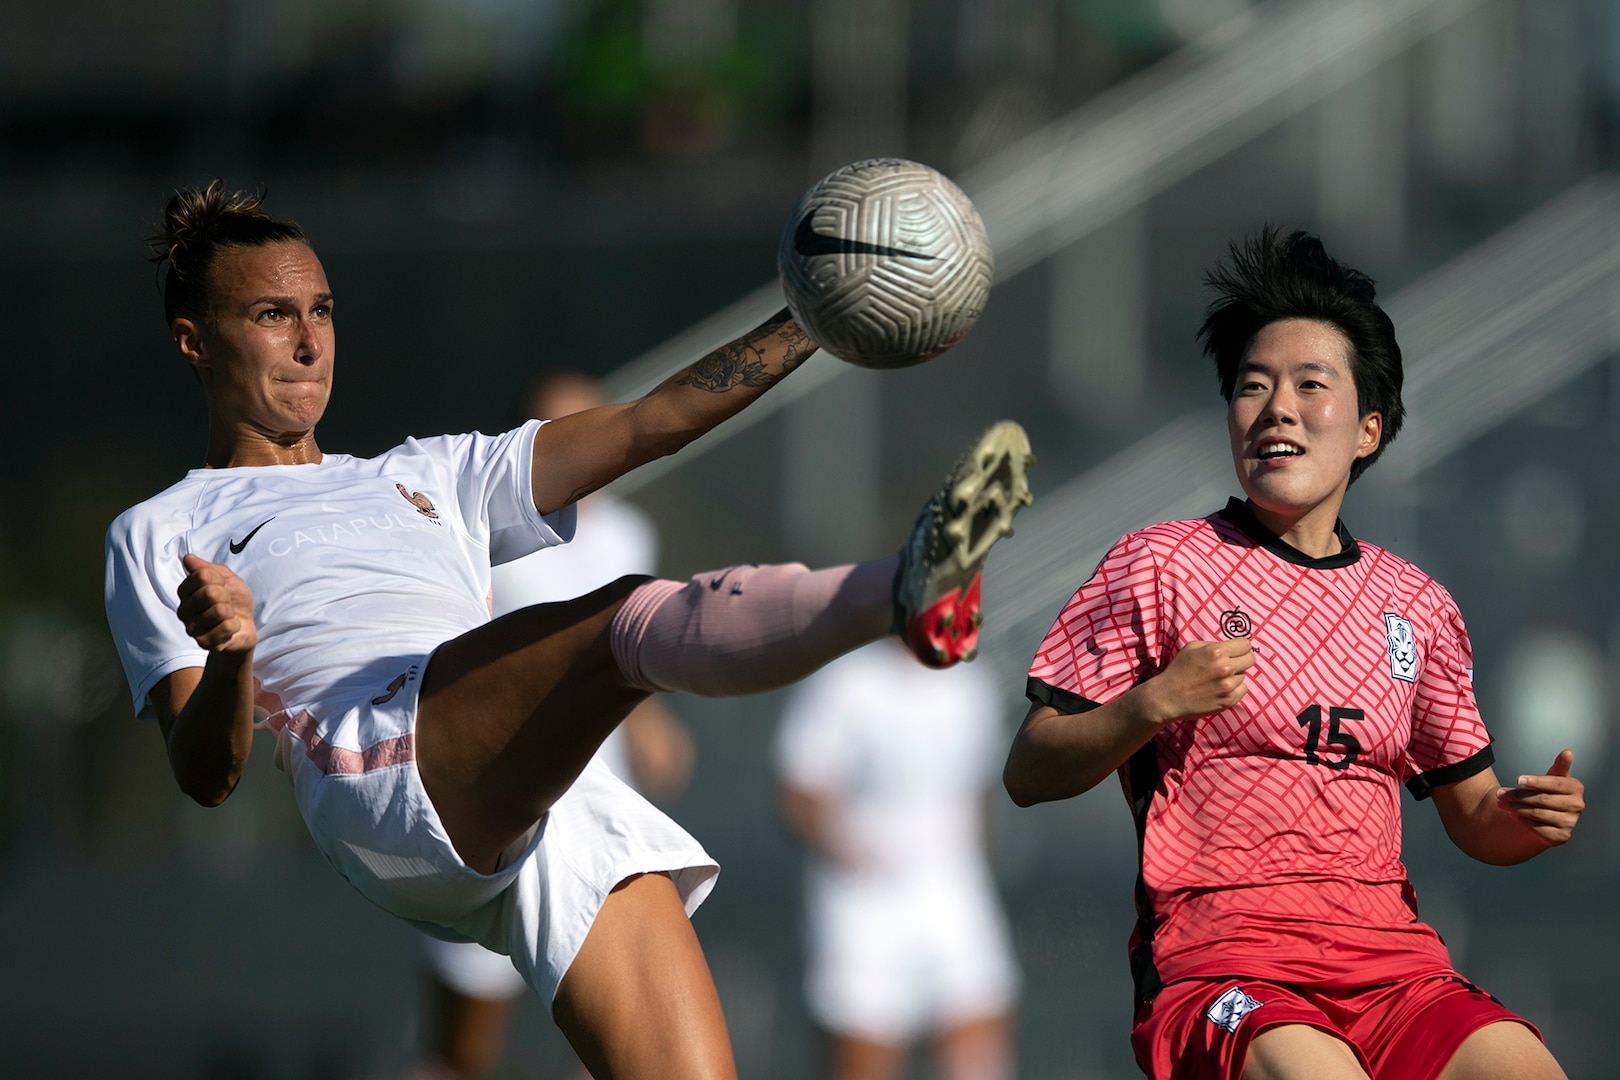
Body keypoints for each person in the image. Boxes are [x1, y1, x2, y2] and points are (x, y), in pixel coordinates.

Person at [103, 181, 1035, 1080]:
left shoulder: (430, 469)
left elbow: (650, 424)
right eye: (273, 315)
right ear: (194, 342)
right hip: (374, 762)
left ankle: (903, 592)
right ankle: (897, 594)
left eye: (323, 310)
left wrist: (819, 312)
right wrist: (233, 657)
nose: (310, 342)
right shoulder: (160, 529)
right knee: (619, 620)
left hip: (546, 798)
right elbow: (206, 774)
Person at [1003, 227, 1585, 1080]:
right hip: (1223, 966)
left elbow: (1473, 819)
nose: (1275, 406)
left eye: (1311, 385)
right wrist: (1151, 704)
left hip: (1393, 972)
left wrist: (1528, 822)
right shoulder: (1159, 563)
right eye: (1252, 386)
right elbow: (1028, 772)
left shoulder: (1417, 607)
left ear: (1367, 429)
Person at [415, 371, 696, 1080]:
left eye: (591, 418)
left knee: (613, 1050)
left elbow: (619, 644)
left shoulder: (634, 532)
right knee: (464, 1051)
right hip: (492, 812)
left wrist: (652, 722)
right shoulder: (477, 533)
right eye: (559, 425)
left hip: (598, 815)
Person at [775, 638, 1019, 1080]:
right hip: (862, 905)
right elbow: (799, 790)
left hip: (954, 895)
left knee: (979, 1050)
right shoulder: (844, 682)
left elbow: (979, 793)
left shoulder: (971, 685)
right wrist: (846, 849)